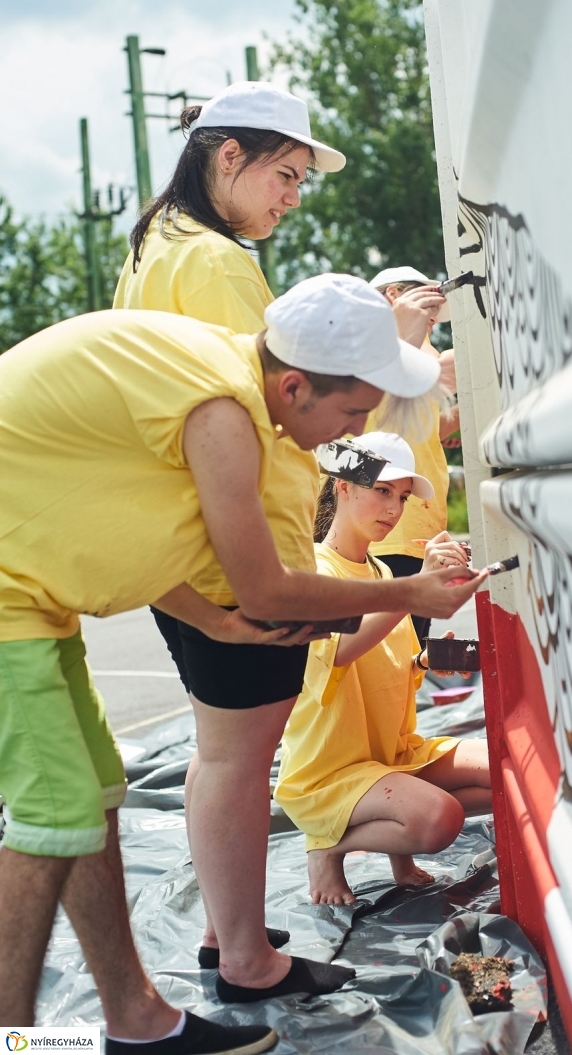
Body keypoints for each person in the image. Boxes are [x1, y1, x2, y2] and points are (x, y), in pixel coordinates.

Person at [0, 278, 485, 1037]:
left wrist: (211, 623)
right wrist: (411, 593)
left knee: (93, 791)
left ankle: (135, 1021)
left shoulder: (232, 384)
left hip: (31, 590)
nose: (350, 431)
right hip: (9, 595)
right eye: (352, 413)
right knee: (54, 811)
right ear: (295, 385)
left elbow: (128, 514)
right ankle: (16, 1040)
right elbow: (264, 587)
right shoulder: (223, 413)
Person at [113, 82, 344, 981]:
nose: (291, 196)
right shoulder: (213, 262)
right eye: (283, 173)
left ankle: (227, 932)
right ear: (228, 157)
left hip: (188, 539)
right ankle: (246, 955)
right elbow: (259, 407)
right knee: (241, 757)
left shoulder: (157, 243)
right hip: (232, 548)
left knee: (225, 752)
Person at [275, 431, 492, 907]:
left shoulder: (382, 573)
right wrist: (416, 587)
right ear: (343, 487)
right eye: (382, 490)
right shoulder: (315, 569)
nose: (394, 509)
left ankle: (400, 852)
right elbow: (342, 650)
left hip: (392, 754)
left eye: (402, 496)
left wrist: (428, 660)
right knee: (441, 820)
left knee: (506, 770)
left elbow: (394, 666)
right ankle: (327, 847)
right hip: (332, 769)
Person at [366, 266, 461, 643]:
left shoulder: (416, 358)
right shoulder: (375, 348)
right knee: (386, 655)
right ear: (395, 297)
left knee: (407, 656)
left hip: (413, 529)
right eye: (430, 318)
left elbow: (421, 428)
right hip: (388, 530)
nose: (433, 329)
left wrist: (455, 419)